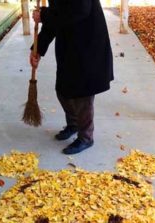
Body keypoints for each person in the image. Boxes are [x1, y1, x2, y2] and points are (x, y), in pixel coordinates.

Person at [31, 0, 114, 154]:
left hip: (88, 44)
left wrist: (44, 14)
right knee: (63, 90)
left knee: (83, 94)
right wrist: (38, 48)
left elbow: (79, 10)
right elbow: (56, 17)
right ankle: (74, 124)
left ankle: (86, 137)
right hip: (69, 45)